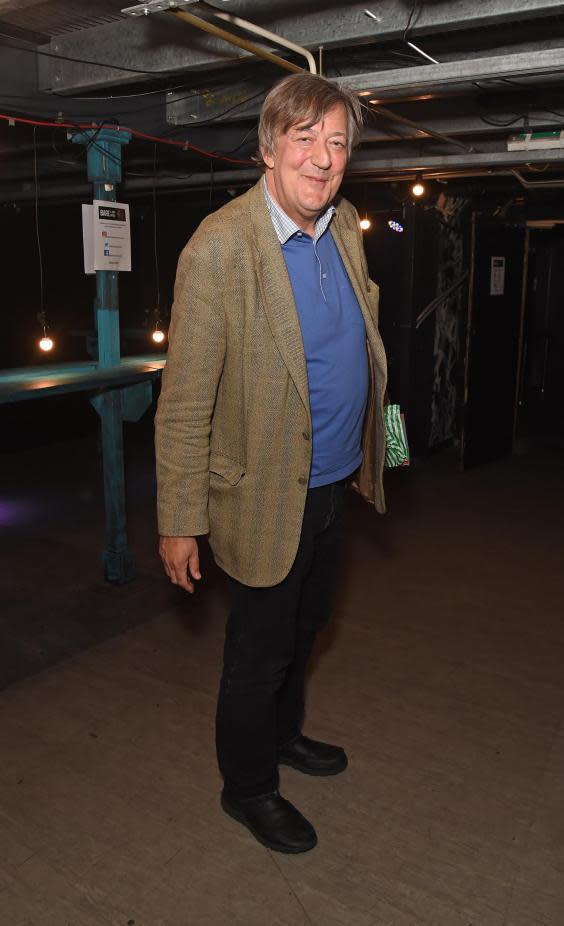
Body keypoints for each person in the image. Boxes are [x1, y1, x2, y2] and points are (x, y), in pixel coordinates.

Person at [155, 72, 387, 854]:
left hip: (330, 485)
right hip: (258, 495)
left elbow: (371, 353)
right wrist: (179, 522)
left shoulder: (346, 222)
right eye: (305, 139)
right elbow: (185, 403)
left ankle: (284, 737)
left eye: (337, 143)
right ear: (266, 149)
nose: (323, 160)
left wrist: (387, 452)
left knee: (308, 628)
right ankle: (247, 787)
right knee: (257, 656)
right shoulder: (219, 249)